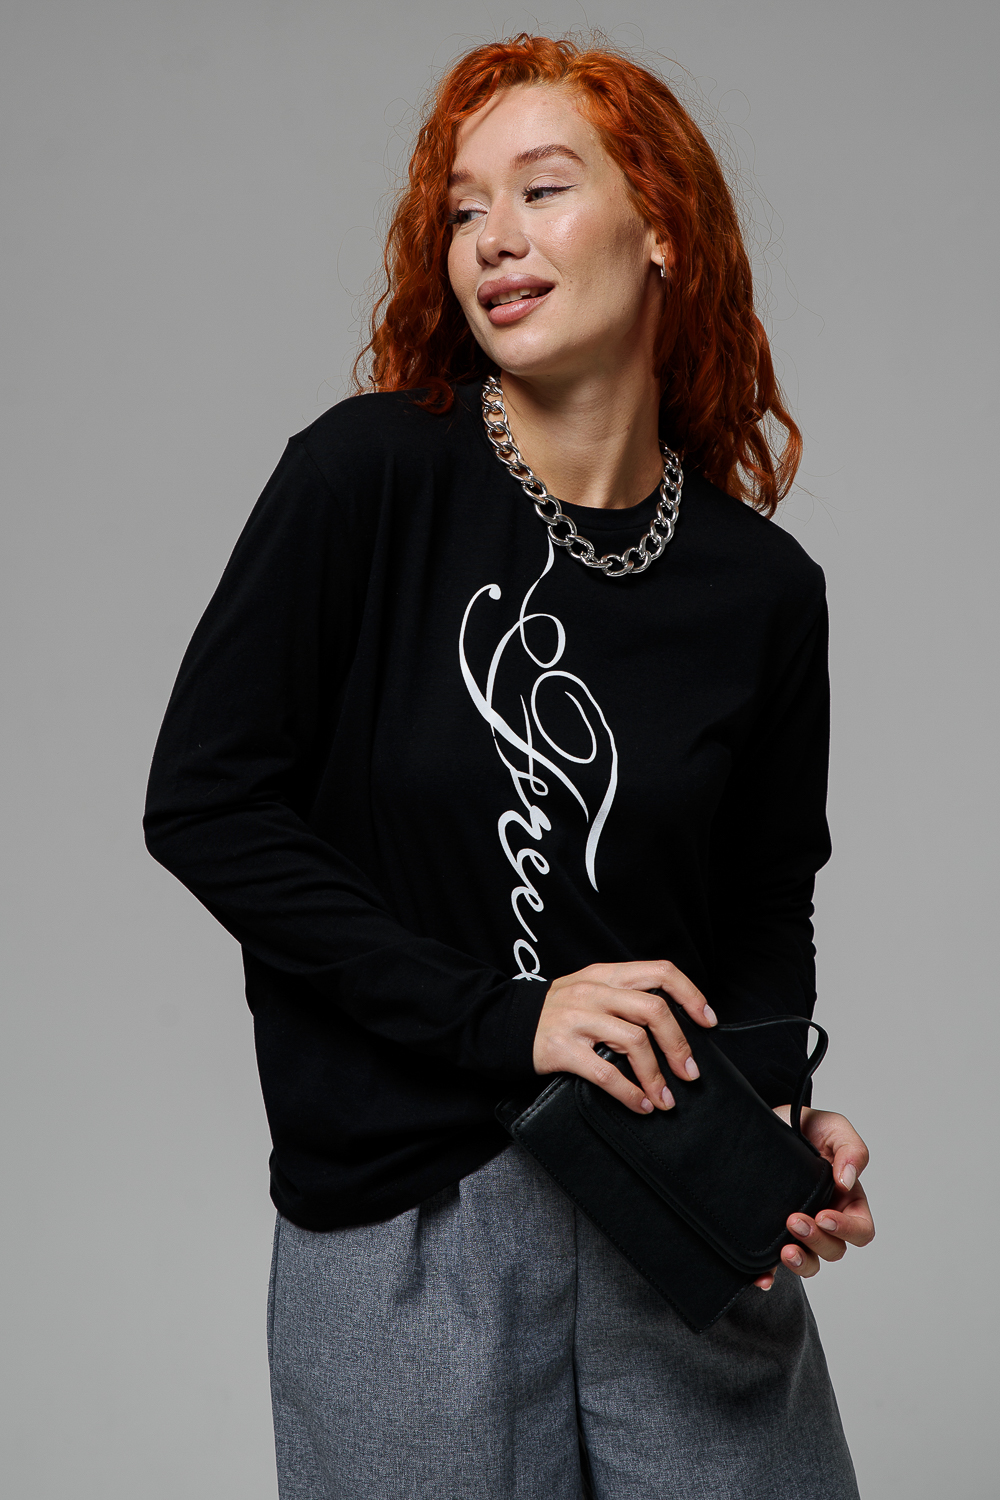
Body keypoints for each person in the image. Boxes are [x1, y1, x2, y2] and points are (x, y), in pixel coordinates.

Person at [144, 33, 875, 1500]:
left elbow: (761, 902)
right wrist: (505, 1018)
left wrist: (770, 1117)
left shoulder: (760, 591)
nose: (493, 237)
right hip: (410, 1224)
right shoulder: (366, 479)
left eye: (542, 189)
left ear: (662, 229)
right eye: (464, 208)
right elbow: (207, 804)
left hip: (670, 1210)